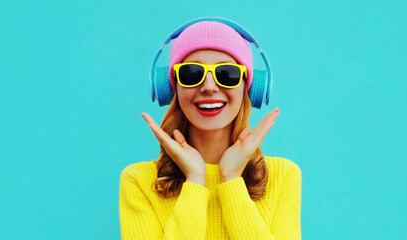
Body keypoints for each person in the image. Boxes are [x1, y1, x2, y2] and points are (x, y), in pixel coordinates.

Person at [119, 19, 302, 239]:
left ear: (249, 87)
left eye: (227, 74)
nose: (209, 87)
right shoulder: (139, 181)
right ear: (171, 87)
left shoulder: (283, 177)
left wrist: (232, 180)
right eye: (191, 73)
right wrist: (195, 181)